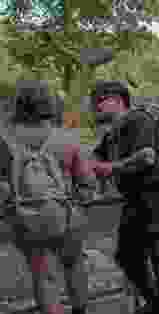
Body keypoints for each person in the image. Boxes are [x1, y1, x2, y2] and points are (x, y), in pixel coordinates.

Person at [0, 81, 98, 314]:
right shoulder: (66, 139)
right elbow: (87, 183)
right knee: (74, 265)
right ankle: (80, 310)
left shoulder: (6, 140)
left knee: (44, 276)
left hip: (27, 220)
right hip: (67, 215)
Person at [91, 80, 159, 314]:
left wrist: (110, 169)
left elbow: (147, 157)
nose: (96, 106)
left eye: (100, 100)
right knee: (126, 255)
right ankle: (156, 305)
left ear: (118, 100)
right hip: (136, 200)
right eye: (95, 102)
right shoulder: (113, 131)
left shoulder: (138, 119)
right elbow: (95, 159)